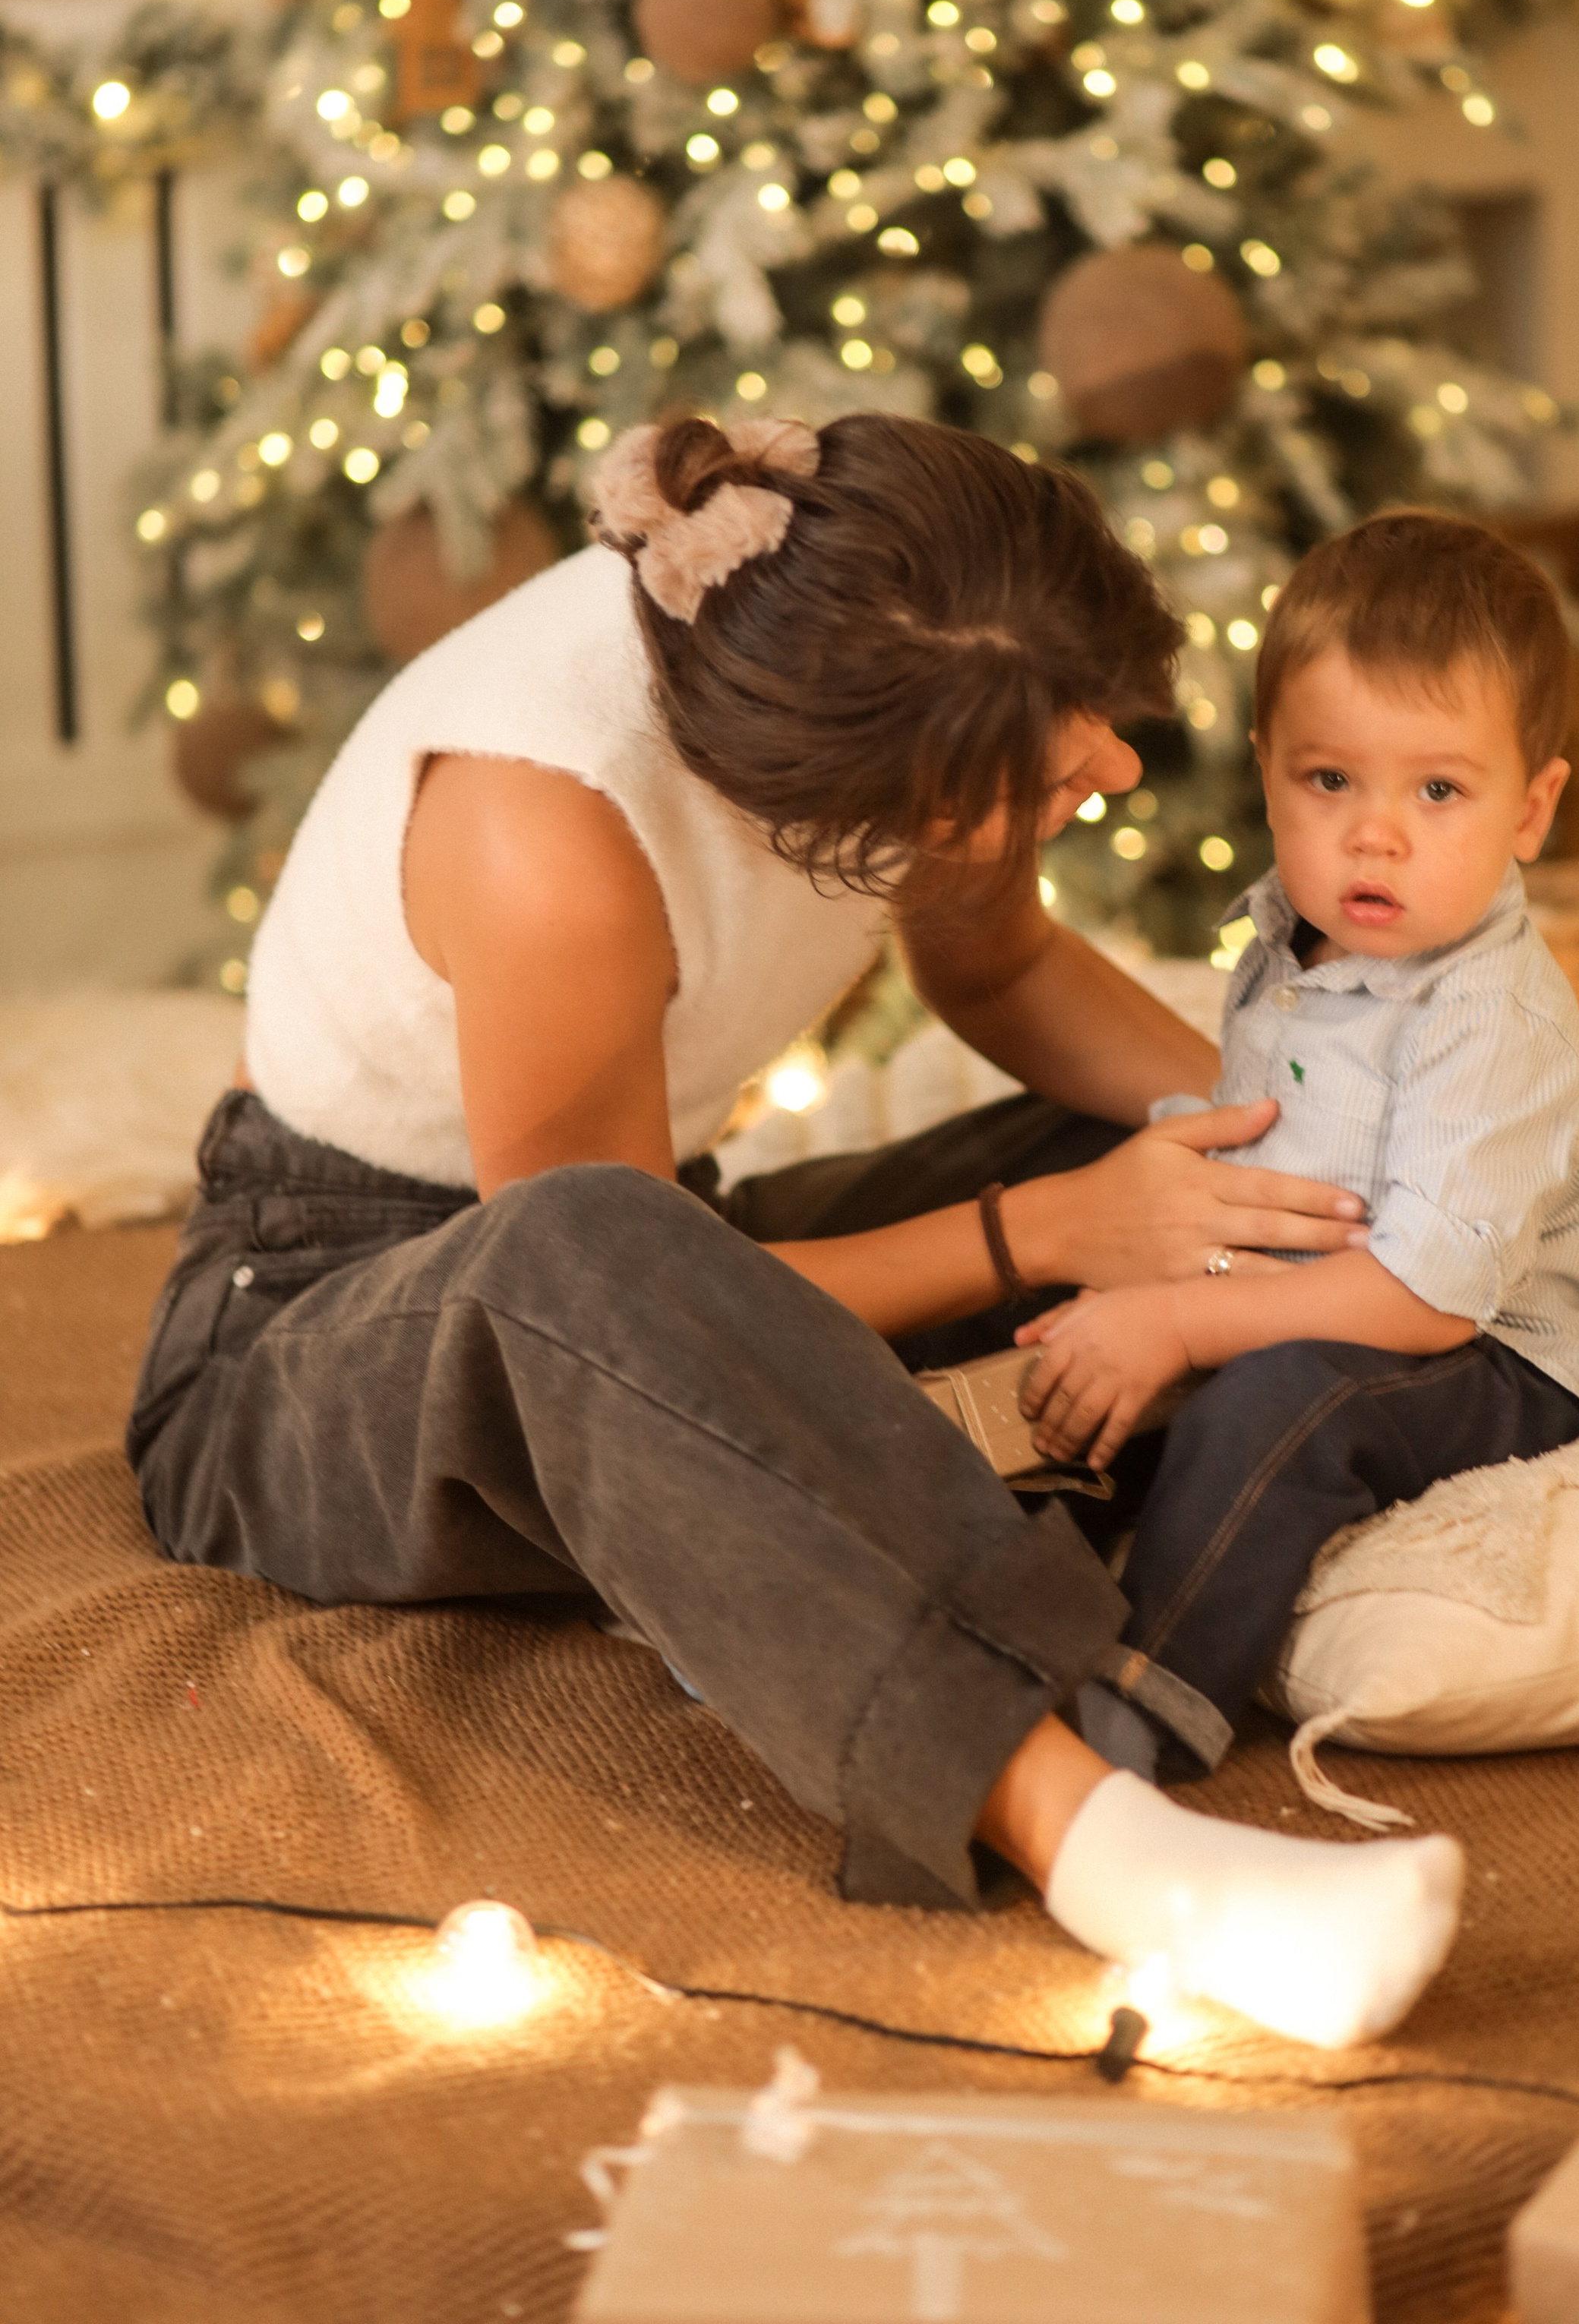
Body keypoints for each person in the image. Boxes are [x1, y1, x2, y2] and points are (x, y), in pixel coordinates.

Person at [127, 412, 1465, 2051]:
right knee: (607, 1252)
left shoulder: (882, 618)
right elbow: (600, 1271)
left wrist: (1319, 1159)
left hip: (641, 1235)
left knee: (1167, 1152)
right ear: (849, 779)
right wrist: (1048, 1235)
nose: (1114, 773)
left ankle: (837, 1527)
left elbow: (994, 973)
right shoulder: (541, 822)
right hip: (316, 1336)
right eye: (1056, 769)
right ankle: (1104, 1844)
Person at [1020, 511, 1579, 1780]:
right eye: (1329, 779)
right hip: (1315, 1269)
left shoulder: (1489, 1009)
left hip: (1481, 1342)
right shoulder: (1292, 937)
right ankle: (995, 1614)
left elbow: (1422, 1297)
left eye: (1440, 790)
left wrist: (1187, 1325)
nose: (1374, 834)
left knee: (1282, 1406)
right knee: (1084, 1325)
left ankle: (1145, 1707)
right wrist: (1152, 1273)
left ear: (1535, 806)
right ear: (1267, 769)